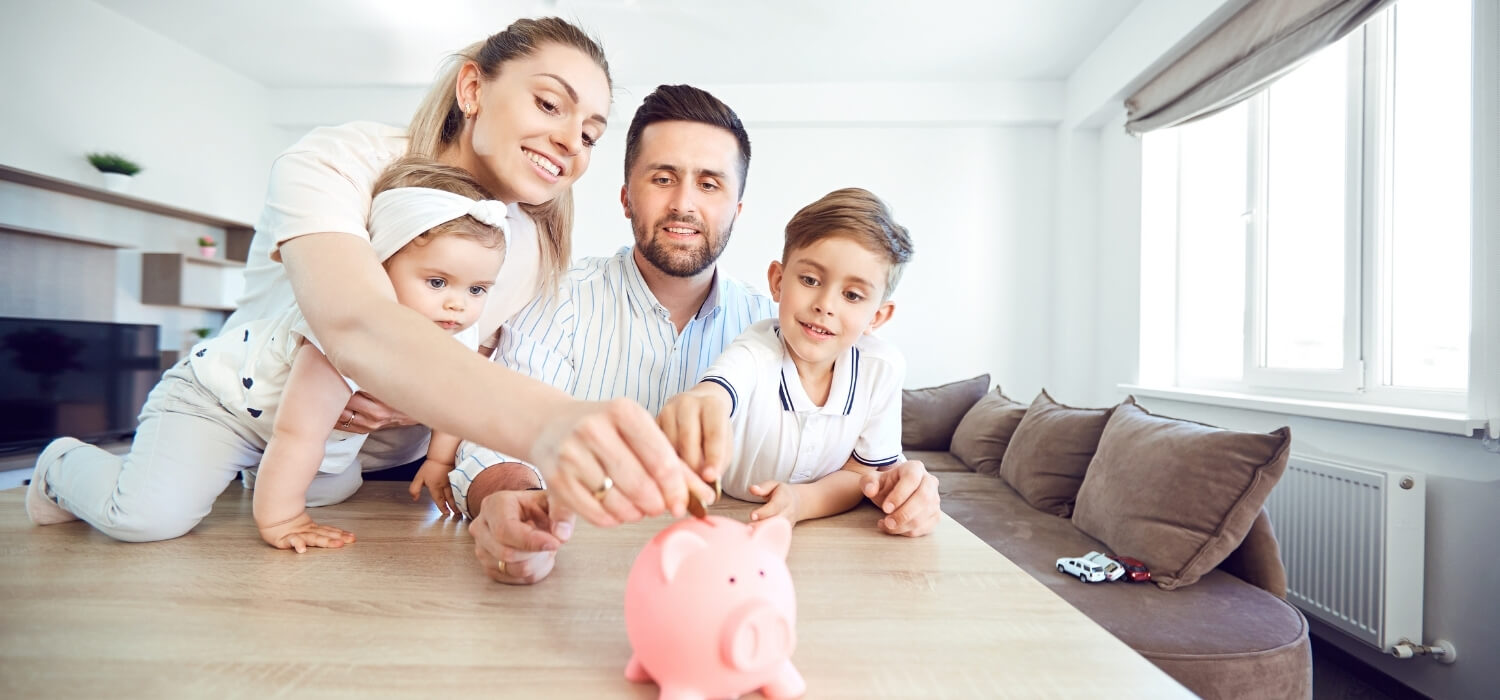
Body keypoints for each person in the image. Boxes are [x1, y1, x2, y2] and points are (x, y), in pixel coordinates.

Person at [203, 18, 707, 525]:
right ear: (472, 90)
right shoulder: (335, 163)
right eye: (549, 104)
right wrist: (550, 422)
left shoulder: (531, 242)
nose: (572, 142)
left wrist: (427, 413)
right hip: (253, 440)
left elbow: (476, 359)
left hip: (394, 477)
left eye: (590, 134)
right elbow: (354, 323)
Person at [25, 158, 507, 547]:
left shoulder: (453, 328)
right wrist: (281, 520)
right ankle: (61, 464)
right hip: (216, 405)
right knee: (147, 520)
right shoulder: (340, 329)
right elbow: (298, 433)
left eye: (478, 289)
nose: (458, 304)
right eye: (438, 282)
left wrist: (440, 460)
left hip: (283, 428)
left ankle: (258, 474)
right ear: (376, 267)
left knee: (333, 488)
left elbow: (456, 399)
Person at [453, 84, 777, 583]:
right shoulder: (557, 298)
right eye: (663, 178)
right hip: (576, 580)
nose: (683, 204)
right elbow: (493, 440)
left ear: (738, 208)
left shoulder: (772, 326)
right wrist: (511, 499)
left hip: (725, 582)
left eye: (709, 184)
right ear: (626, 198)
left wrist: (895, 480)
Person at [657, 188, 942, 537]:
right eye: (810, 280)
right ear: (778, 281)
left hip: (823, 535)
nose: (825, 304)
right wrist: (698, 402)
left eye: (852, 295)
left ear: (878, 316)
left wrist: (800, 502)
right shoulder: (756, 351)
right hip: (728, 524)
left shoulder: (881, 368)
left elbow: (861, 474)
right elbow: (716, 392)